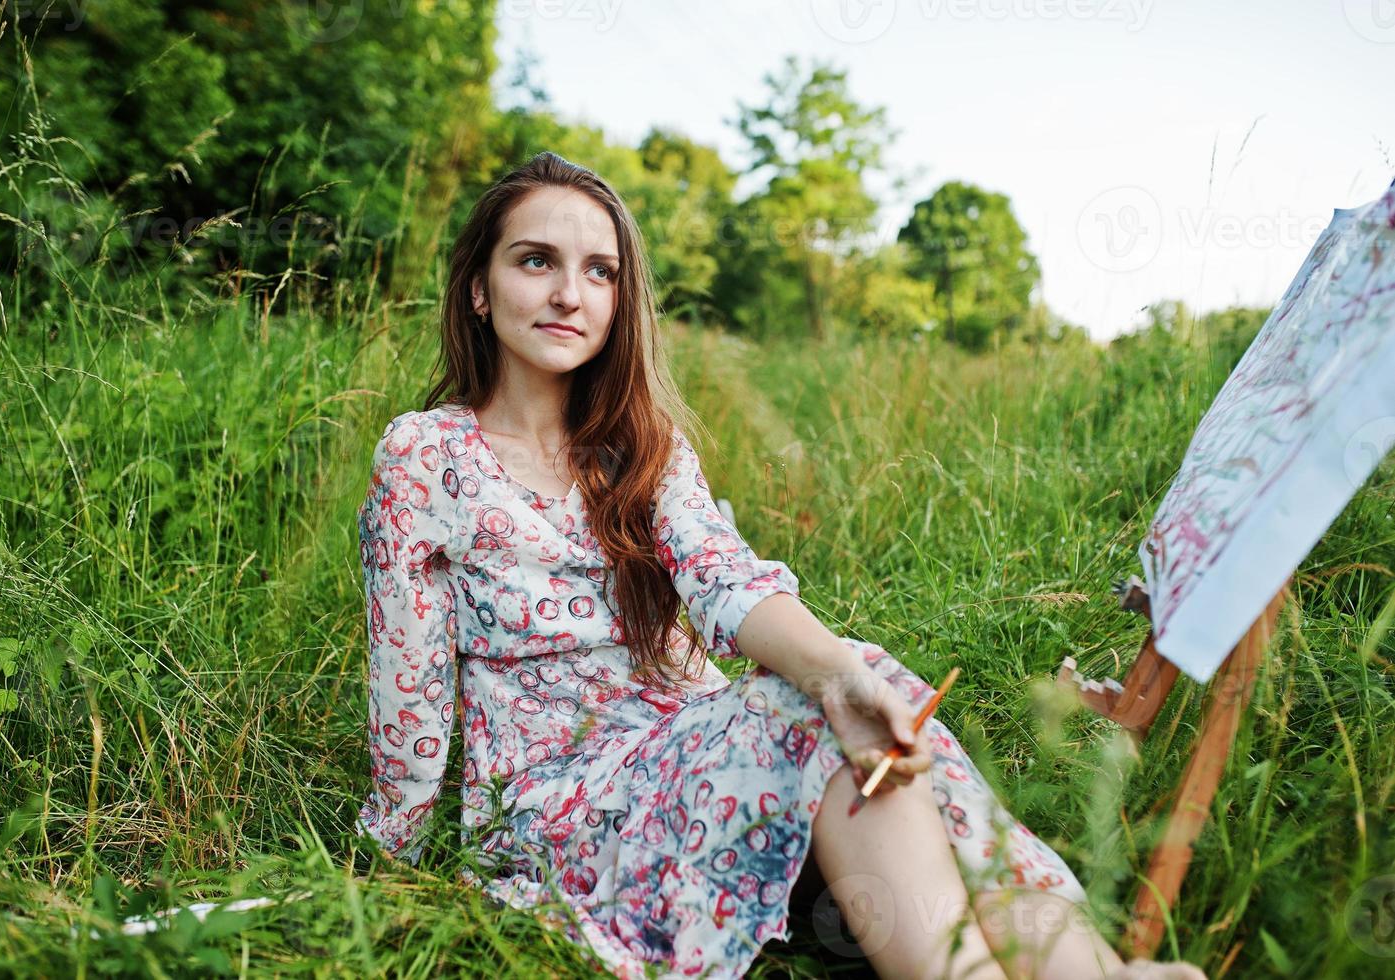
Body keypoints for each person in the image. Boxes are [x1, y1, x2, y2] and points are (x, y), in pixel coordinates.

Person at [355, 150, 1209, 980]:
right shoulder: (427, 456)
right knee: (802, 709)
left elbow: (724, 578)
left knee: (859, 691)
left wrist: (839, 675)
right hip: (560, 804)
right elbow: (410, 696)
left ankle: (1093, 971)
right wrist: (383, 860)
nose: (569, 294)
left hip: (689, 756)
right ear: (478, 287)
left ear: (621, 299)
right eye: (535, 261)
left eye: (600, 272)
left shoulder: (643, 449)